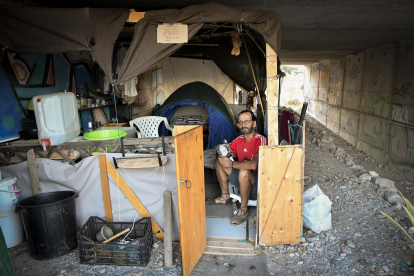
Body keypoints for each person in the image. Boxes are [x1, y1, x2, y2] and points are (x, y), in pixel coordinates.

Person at [208, 110, 267, 225]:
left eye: (247, 121)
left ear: (254, 123)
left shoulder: (260, 140)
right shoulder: (239, 140)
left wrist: (231, 163)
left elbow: (254, 164)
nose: (244, 124)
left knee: (244, 171)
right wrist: (223, 156)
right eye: (241, 122)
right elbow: (225, 154)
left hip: (258, 185)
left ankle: (244, 210)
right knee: (219, 161)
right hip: (241, 179)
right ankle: (225, 196)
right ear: (238, 125)